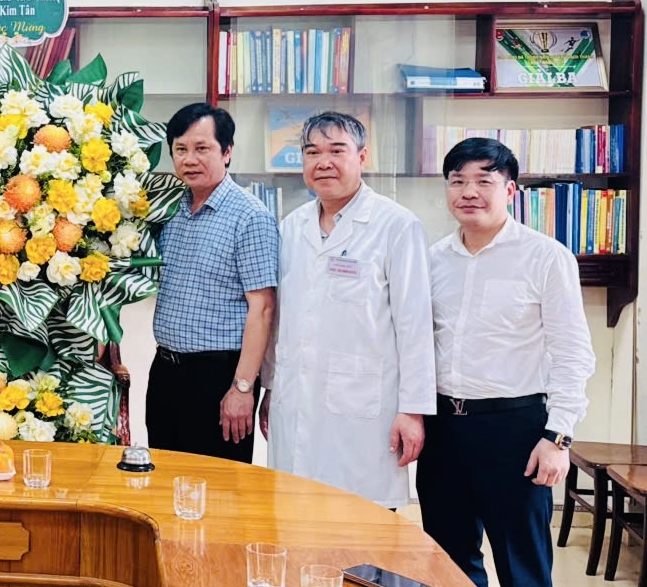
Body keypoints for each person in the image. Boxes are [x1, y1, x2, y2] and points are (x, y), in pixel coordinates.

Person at [417, 138, 594, 587]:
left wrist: (558, 437)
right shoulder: (432, 259)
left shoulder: (545, 256)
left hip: (515, 429)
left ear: (510, 189)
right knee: (450, 563)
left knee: (523, 570)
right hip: (444, 428)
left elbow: (573, 353)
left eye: (483, 180)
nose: (468, 192)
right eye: (457, 181)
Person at [260, 111, 436, 507]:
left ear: (362, 157)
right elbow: (280, 320)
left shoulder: (396, 226)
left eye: (336, 151)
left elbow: (414, 326)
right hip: (294, 399)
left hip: (364, 412)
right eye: (312, 152)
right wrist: (271, 386)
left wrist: (413, 411)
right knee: (293, 515)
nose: (323, 162)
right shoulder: (291, 227)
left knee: (362, 524)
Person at [148, 103, 278, 462]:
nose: (189, 159)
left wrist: (243, 388)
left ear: (227, 151)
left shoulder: (250, 217)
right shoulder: (169, 210)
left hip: (219, 377)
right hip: (165, 371)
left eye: (202, 148)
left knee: (218, 485)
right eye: (180, 149)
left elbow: (263, 309)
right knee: (163, 478)